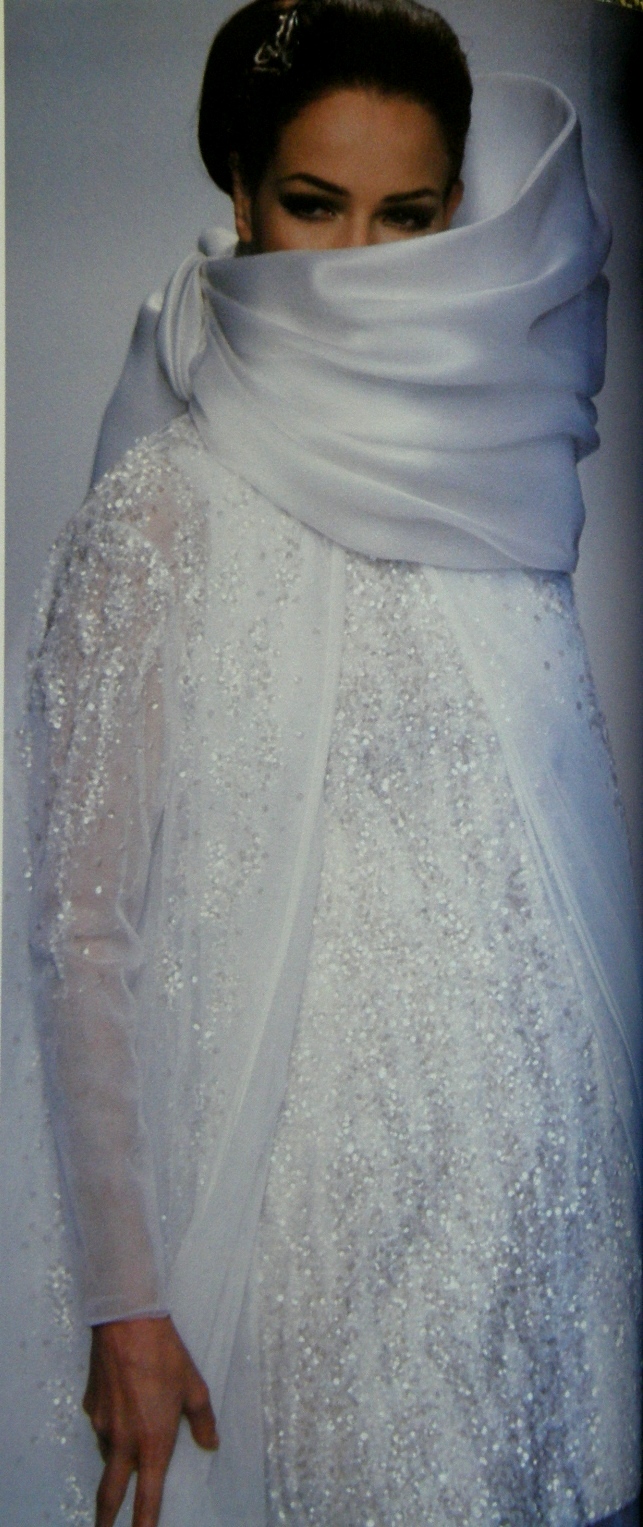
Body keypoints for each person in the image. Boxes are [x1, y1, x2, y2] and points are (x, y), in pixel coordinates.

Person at [1, 1, 641, 1524]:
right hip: (310, 1228)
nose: (360, 264)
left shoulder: (500, 482)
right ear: (240, 193)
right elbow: (83, 928)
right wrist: (125, 1301)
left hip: (532, 1204)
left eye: (405, 216)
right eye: (314, 204)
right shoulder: (162, 513)